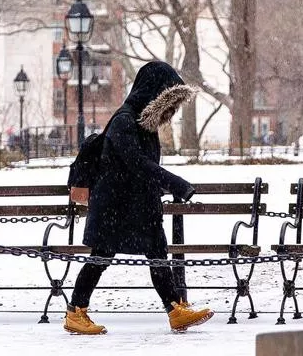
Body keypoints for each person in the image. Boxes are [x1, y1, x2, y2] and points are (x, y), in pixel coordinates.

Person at [64, 61, 214, 335]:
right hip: (114, 207)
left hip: (139, 206)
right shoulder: (124, 121)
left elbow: (143, 168)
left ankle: (174, 310)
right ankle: (75, 312)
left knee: (158, 254)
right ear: (153, 94)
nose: (170, 110)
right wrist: (176, 184)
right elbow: (138, 163)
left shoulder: (145, 125)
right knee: (101, 257)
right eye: (166, 101)